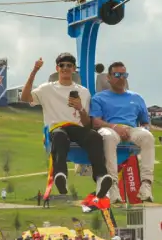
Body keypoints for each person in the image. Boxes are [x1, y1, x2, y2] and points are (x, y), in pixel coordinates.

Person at [21, 53, 112, 199]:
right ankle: (60, 175)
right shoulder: (46, 89)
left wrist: (80, 108)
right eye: (62, 65)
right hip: (56, 127)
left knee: (95, 136)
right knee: (60, 136)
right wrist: (34, 72)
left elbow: (87, 123)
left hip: (76, 127)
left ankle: (101, 177)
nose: (65, 68)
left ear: (74, 69)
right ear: (57, 68)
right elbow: (25, 98)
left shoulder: (83, 92)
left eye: (69, 65)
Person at [90, 61, 155, 202]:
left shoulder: (136, 98)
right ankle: (113, 185)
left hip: (131, 129)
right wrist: (115, 127)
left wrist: (144, 129)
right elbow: (95, 121)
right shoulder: (99, 98)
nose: (121, 78)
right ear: (108, 77)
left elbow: (145, 122)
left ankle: (146, 184)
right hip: (110, 128)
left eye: (124, 75)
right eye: (117, 75)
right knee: (108, 137)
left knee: (148, 136)